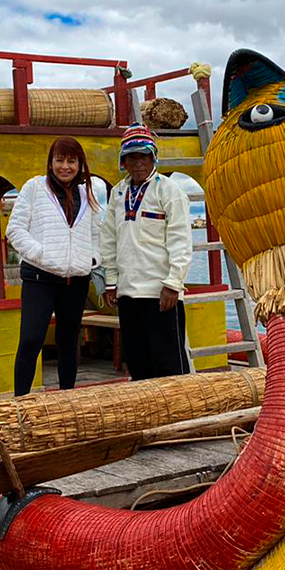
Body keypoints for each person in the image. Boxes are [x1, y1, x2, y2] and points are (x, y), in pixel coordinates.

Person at [6, 136, 99, 396]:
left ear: (80, 164)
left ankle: (66, 399)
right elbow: (14, 230)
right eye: (60, 160)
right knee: (31, 340)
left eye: (72, 161)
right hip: (40, 277)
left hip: (76, 280)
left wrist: (92, 259)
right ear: (51, 162)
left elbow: (97, 233)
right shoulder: (35, 188)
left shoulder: (87, 192)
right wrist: (40, 254)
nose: (65, 167)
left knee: (69, 342)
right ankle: (20, 402)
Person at [102, 123, 193, 380]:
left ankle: (180, 416)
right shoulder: (118, 192)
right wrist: (111, 281)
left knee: (169, 364)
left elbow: (180, 240)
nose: (138, 162)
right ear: (124, 161)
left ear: (153, 157)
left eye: (143, 156)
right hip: (128, 292)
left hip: (161, 293)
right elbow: (109, 237)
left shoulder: (169, 190)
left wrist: (173, 284)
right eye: (132, 157)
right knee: (138, 363)